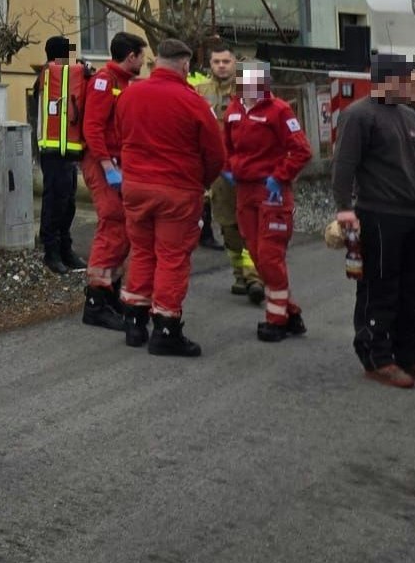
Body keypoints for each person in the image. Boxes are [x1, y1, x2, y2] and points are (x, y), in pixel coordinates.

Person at [333, 55, 415, 390]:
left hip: (414, 216)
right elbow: (343, 165)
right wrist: (344, 209)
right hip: (378, 214)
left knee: (412, 289)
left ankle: (411, 354)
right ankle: (376, 356)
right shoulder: (359, 115)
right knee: (380, 287)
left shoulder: (411, 117)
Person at [111, 38, 224, 357]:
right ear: (185, 65)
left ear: (157, 61)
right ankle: (165, 328)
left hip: (135, 186)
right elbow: (216, 154)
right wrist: (201, 182)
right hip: (177, 190)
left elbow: (120, 135)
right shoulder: (193, 102)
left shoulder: (130, 94)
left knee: (142, 251)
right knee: (172, 257)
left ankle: (134, 321)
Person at [222, 60, 311, 342]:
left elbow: (301, 151)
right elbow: (226, 146)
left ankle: (277, 320)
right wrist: (227, 168)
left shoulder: (279, 110)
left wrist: (279, 177)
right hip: (245, 191)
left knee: (270, 256)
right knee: (257, 255)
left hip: (271, 192)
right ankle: (290, 312)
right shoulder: (234, 110)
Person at [80, 32, 147, 330]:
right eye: (142, 57)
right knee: (112, 222)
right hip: (102, 162)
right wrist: (107, 165)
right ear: (131, 56)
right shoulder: (105, 81)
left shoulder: (122, 82)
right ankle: (96, 300)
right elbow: (92, 128)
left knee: (122, 225)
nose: (144, 63)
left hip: (117, 163)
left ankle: (108, 292)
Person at [194, 43, 263, 301]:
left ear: (235, 63)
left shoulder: (250, 89)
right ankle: (240, 274)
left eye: (226, 61)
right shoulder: (200, 92)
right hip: (218, 170)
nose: (221, 66)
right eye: (216, 62)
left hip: (248, 167)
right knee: (227, 224)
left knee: (252, 222)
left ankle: (254, 276)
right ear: (210, 64)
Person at [33, 35, 88, 275]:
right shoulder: (48, 77)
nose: (72, 59)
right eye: (69, 54)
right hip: (52, 150)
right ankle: (52, 252)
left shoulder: (64, 78)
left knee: (68, 202)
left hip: (66, 149)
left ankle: (65, 248)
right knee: (55, 202)